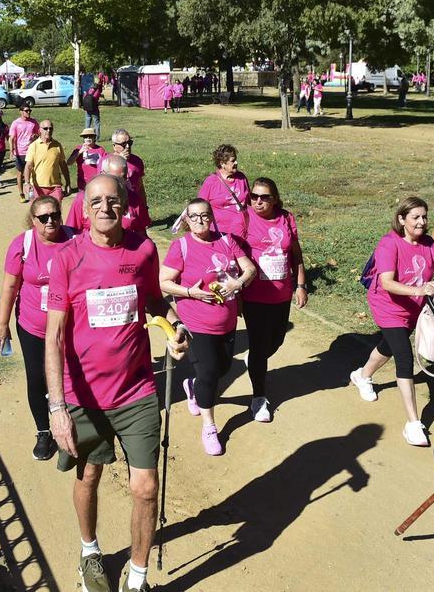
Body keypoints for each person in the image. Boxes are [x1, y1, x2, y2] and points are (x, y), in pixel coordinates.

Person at [46, 174, 190, 592]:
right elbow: (54, 337)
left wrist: (173, 325)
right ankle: (89, 552)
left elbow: (154, 301)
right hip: (83, 394)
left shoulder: (143, 249)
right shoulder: (67, 258)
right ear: (84, 208)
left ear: (125, 205)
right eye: (95, 200)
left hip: (137, 390)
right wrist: (57, 409)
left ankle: (138, 578)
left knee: (145, 487)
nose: (104, 207)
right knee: (88, 476)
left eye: (113, 200)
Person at [349, 197, 434, 446]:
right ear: (401, 219)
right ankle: (413, 423)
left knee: (389, 345)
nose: (422, 222)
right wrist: (420, 291)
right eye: (415, 217)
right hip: (388, 307)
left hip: (415, 307)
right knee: (403, 357)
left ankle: (362, 376)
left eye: (424, 217)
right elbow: (386, 282)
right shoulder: (389, 243)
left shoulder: (429, 244)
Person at [160, 198, 256, 455]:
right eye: (194, 217)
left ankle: (192, 386)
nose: (200, 221)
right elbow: (164, 282)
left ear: (211, 216)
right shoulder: (181, 247)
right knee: (210, 373)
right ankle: (209, 426)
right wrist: (190, 292)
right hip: (196, 322)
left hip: (226, 320)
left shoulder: (227, 241)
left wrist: (238, 283)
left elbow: (250, 269)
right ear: (186, 220)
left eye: (204, 215)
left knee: (223, 367)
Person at [0, 196, 76, 461]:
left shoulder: (76, 240)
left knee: (71, 374)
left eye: (54, 215)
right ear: (33, 220)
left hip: (70, 326)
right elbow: (10, 286)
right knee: (37, 378)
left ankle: (73, 422)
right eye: (43, 218)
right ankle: (43, 431)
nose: (50, 221)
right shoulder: (23, 245)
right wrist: (2, 323)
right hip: (32, 326)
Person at [242, 177, 308, 422]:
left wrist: (300, 285)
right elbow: (234, 252)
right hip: (254, 295)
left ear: (275, 198)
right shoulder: (245, 218)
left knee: (277, 341)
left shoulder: (286, 217)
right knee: (260, 347)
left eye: (264, 197)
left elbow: (296, 254)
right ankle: (259, 397)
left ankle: (256, 360)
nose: (258, 201)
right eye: (254, 196)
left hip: (281, 294)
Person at [65, 154, 152, 235]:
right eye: (115, 178)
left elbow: (141, 233)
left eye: (123, 177)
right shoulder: (83, 198)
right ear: (103, 173)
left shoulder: (134, 199)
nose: (119, 183)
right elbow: (71, 232)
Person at [197, 144, 249, 240]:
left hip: (242, 233)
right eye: (233, 161)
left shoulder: (242, 178)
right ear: (222, 163)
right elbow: (199, 207)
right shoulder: (211, 182)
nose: (236, 162)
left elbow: (249, 202)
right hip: (219, 235)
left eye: (236, 159)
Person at [24, 120, 71, 201]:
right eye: (45, 128)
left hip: (55, 186)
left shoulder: (57, 145)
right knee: (39, 212)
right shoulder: (34, 146)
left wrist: (68, 183)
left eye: (50, 128)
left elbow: (63, 165)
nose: (48, 131)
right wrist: (27, 183)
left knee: (56, 212)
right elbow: (28, 165)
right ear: (40, 130)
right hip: (38, 187)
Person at [8, 106, 40, 203]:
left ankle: (32, 193)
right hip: (20, 152)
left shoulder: (33, 122)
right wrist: (11, 151)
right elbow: (11, 138)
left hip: (31, 151)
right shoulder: (16, 123)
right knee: (20, 173)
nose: (28, 112)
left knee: (32, 172)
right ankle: (21, 193)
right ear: (21, 112)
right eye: (26, 111)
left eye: (30, 110)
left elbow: (39, 133)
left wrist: (36, 136)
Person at [111, 129, 146, 200]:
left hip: (134, 205)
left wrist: (144, 206)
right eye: (123, 144)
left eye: (129, 143)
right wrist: (120, 161)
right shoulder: (106, 161)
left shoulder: (137, 161)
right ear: (114, 146)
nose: (127, 146)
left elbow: (140, 187)